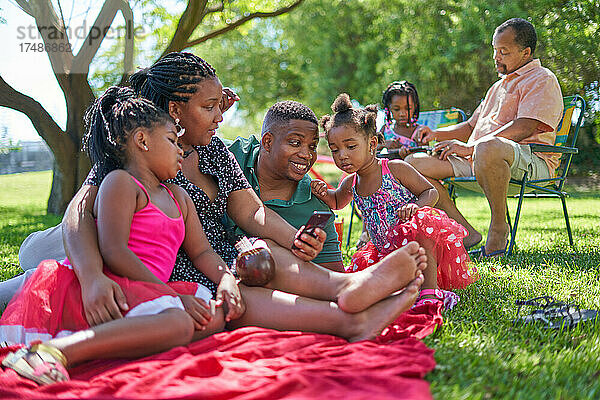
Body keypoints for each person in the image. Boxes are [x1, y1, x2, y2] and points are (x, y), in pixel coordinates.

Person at [8, 52, 427, 334]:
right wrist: (91, 274)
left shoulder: (212, 151)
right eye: (210, 107)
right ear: (175, 110)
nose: (220, 115)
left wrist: (293, 238)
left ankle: (343, 288)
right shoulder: (139, 151)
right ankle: (343, 316)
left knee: (256, 253)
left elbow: (251, 212)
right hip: (131, 259)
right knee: (37, 265)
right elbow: (80, 212)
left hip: (203, 259)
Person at [0, 87, 239, 384]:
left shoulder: (179, 196)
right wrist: (172, 295)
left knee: (214, 315)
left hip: (150, 289)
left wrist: (226, 278)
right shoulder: (120, 183)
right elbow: (114, 251)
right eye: (171, 141)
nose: (180, 150)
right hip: (118, 286)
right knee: (178, 322)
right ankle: (53, 351)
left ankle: (126, 337)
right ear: (142, 141)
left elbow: (203, 252)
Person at [407, 18, 564, 256]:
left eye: (504, 52)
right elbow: (471, 126)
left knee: (488, 147)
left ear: (526, 52)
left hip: (529, 160)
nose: (496, 57)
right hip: (479, 158)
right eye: (495, 50)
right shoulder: (497, 87)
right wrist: (436, 134)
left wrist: (472, 148)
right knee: (412, 165)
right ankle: (465, 233)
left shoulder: (542, 79)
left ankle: (499, 228)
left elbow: (526, 125)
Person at [311, 93, 479, 307]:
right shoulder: (350, 182)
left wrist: (414, 207)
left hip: (418, 247)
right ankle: (405, 288)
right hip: (386, 251)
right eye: (335, 150)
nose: (342, 155)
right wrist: (322, 190)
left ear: (372, 144)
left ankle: (430, 293)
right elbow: (336, 202)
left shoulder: (393, 169)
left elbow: (431, 192)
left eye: (350, 147)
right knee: (368, 289)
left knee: (423, 223)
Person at [225, 100, 343, 271]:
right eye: (295, 142)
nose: (306, 154)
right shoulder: (230, 156)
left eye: (313, 146)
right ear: (267, 142)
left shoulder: (315, 204)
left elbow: (334, 274)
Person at [378, 80, 422, 157]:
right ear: (389, 108)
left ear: (415, 107)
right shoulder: (385, 130)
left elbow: (424, 157)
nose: (402, 114)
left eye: (408, 109)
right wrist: (384, 144)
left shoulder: (419, 132)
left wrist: (410, 154)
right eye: (397, 109)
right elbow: (371, 152)